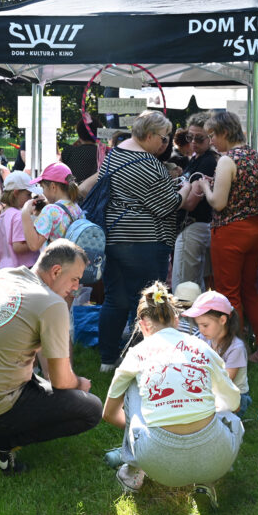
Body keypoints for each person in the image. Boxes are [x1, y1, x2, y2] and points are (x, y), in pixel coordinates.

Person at [0, 240, 102, 474]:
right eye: (75, 279)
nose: (77, 287)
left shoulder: (4, 276)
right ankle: (1, 443)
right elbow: (61, 382)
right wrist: (79, 384)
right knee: (91, 408)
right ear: (56, 271)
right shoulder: (52, 303)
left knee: (46, 386)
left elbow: (47, 365)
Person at [102, 282, 243, 509]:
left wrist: (139, 428)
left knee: (133, 385)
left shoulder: (136, 354)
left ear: (143, 325)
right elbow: (234, 403)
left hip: (157, 462)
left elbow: (108, 414)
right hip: (216, 459)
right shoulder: (204, 348)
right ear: (176, 320)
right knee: (230, 418)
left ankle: (133, 470)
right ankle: (206, 479)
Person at [95, 111, 192, 372]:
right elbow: (168, 204)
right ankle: (146, 360)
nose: (165, 144)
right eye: (163, 138)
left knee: (115, 299)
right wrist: (185, 189)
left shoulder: (115, 154)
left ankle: (107, 360)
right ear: (148, 135)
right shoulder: (147, 163)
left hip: (114, 237)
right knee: (149, 301)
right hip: (144, 241)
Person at [194, 111, 258, 364]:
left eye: (213, 135)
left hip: (231, 231)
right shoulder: (256, 157)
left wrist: (205, 187)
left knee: (229, 292)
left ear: (225, 132)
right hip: (256, 229)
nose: (211, 141)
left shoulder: (228, 160)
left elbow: (218, 203)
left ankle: (234, 352)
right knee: (250, 290)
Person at [172, 111, 219, 291]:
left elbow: (191, 202)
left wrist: (172, 197)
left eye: (199, 138)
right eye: (189, 137)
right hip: (191, 228)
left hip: (193, 227)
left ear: (210, 137)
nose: (193, 142)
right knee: (191, 285)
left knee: (184, 287)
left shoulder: (208, 161)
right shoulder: (196, 158)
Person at [186, 291, 251, 417]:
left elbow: (225, 382)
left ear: (222, 320)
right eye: (198, 325)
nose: (201, 330)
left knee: (205, 417)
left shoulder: (236, 348)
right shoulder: (203, 338)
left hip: (234, 397)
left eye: (205, 325)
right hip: (210, 391)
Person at [21, 162, 83, 253]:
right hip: (72, 260)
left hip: (54, 261)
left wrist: (25, 212)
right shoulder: (76, 208)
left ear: (53, 187)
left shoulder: (50, 210)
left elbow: (34, 245)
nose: (43, 192)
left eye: (43, 187)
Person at [0, 171, 41, 269]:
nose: (30, 198)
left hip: (5, 267)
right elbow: (18, 247)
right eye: (28, 195)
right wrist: (39, 240)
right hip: (22, 269)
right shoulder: (19, 216)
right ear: (16, 193)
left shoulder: (5, 213)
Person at [59, 117, 102, 185]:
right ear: (98, 133)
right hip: (94, 191)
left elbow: (59, 173)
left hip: (71, 190)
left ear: (79, 132)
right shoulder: (101, 153)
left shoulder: (68, 151)